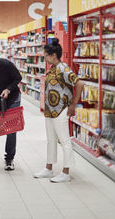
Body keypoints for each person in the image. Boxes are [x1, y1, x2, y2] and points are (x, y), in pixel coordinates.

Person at [34, 39, 84, 183]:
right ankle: (48, 169)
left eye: (46, 55)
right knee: (50, 140)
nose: (45, 58)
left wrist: (74, 103)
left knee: (64, 140)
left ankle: (66, 172)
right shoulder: (53, 68)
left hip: (61, 109)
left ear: (53, 55)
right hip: (50, 111)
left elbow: (79, 83)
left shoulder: (63, 68)